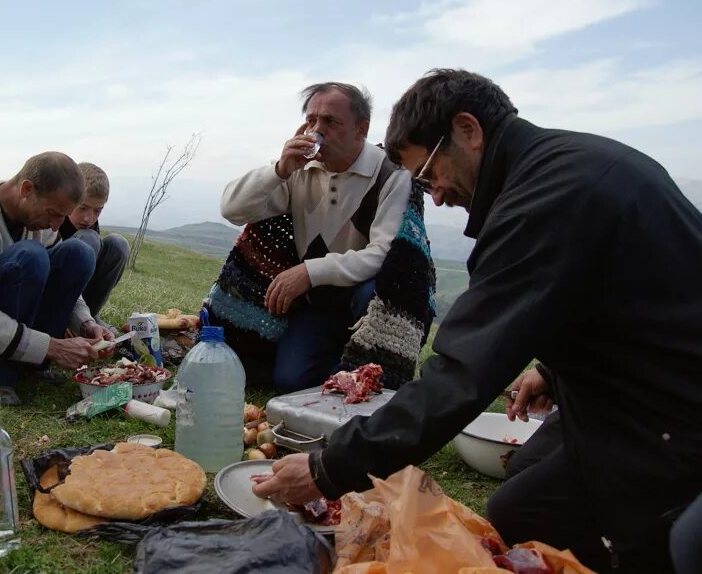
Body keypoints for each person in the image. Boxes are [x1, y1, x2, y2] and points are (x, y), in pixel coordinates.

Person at [252, 69, 702, 572]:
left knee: (611, 531)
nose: (436, 195)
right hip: (625, 391)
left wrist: (329, 468)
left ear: (468, 130)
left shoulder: (548, 199)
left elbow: (461, 375)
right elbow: (632, 294)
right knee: (519, 508)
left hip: (670, 418)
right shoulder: (566, 166)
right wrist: (552, 372)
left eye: (430, 174)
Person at [218, 82, 430, 392]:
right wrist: (279, 170)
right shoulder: (300, 169)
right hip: (322, 301)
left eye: (330, 122)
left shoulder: (391, 174)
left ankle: (374, 374)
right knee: (291, 381)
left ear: (362, 129)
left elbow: (387, 253)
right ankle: (340, 367)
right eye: (312, 120)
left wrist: (310, 271)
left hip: (372, 297)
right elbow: (232, 209)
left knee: (374, 290)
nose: (318, 130)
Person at [0, 152, 114, 405]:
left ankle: (30, 366)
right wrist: (54, 347)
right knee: (31, 256)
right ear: (26, 189)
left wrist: (86, 323)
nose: (54, 226)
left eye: (63, 216)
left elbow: (63, 280)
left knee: (78, 253)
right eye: (53, 214)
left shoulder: (36, 218)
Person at [57, 162, 130, 333]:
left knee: (118, 244)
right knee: (89, 239)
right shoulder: (54, 218)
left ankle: (89, 317)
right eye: (82, 208)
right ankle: (66, 322)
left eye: (97, 211)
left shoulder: (89, 223)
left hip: (82, 303)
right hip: (55, 298)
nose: (89, 218)